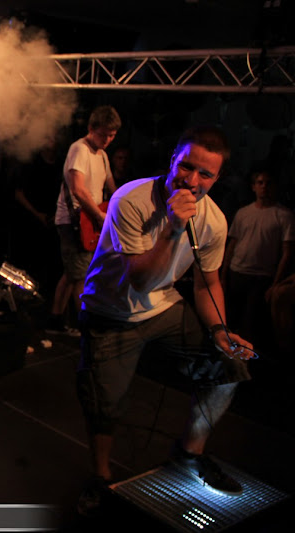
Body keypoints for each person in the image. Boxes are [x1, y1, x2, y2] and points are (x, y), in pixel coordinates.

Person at [76, 126, 253, 515]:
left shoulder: (214, 221)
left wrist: (220, 330)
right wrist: (172, 229)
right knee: (104, 404)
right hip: (111, 311)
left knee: (229, 365)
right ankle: (100, 477)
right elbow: (140, 280)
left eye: (205, 174)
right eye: (186, 167)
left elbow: (208, 283)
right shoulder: (131, 199)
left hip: (163, 307)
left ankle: (190, 452)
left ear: (217, 178)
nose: (192, 181)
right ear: (173, 159)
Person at [47, 105, 121, 336]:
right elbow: (78, 189)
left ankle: (56, 320)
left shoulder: (103, 156)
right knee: (80, 274)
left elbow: (112, 188)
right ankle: (85, 324)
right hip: (74, 221)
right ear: (91, 128)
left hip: (91, 220)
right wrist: (99, 215)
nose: (107, 140)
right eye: (103, 134)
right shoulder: (79, 149)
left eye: (112, 135)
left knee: (73, 273)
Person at [221, 170, 294, 353]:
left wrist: (275, 283)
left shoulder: (284, 215)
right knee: (230, 318)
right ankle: (226, 356)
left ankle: (246, 359)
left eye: (268, 183)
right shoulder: (243, 213)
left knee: (250, 323)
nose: (264, 187)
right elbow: (232, 244)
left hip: (261, 277)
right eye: (260, 183)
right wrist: (223, 275)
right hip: (237, 272)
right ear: (253, 187)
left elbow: (287, 252)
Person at [12, 133, 64, 297]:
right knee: (30, 260)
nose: (51, 141)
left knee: (51, 262)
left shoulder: (61, 165)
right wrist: (37, 214)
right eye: (48, 137)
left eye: (53, 138)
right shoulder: (31, 163)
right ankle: (25, 296)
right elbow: (18, 193)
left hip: (54, 220)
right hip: (31, 220)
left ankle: (46, 296)